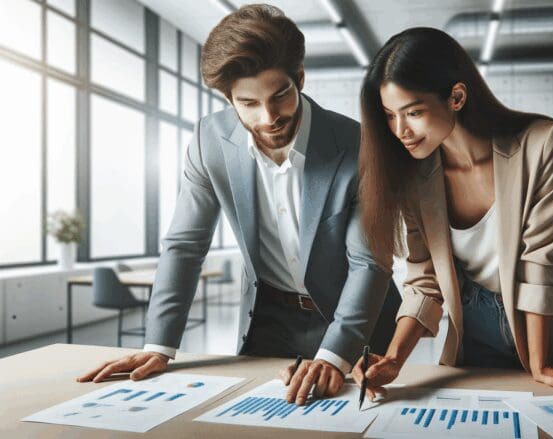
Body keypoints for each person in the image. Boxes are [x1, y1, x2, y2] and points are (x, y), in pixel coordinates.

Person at [77, 4, 400, 407]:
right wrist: (158, 346)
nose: (268, 117)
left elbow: (368, 262)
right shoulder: (210, 141)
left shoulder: (359, 145)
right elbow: (185, 245)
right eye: (248, 103)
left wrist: (334, 356)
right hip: (268, 317)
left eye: (280, 96)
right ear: (228, 98)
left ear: (300, 78)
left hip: (354, 319)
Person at [351, 27, 553, 399]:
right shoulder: (414, 177)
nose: (400, 130)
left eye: (413, 112)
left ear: (456, 97)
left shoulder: (541, 143)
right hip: (471, 335)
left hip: (543, 332)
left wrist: (540, 364)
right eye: (390, 116)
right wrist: (393, 358)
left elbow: (540, 260)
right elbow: (424, 281)